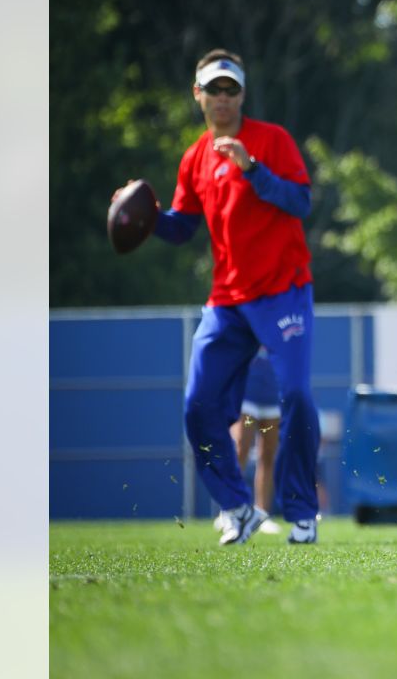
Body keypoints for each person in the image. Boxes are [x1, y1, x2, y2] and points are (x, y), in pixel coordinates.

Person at [113, 49, 321, 545]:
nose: (223, 98)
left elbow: (301, 202)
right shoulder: (194, 158)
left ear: (242, 95)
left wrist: (253, 170)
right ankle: (236, 506)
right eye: (214, 89)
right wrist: (139, 216)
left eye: (231, 90)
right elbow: (183, 229)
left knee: (295, 395)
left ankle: (302, 511)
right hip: (227, 300)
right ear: (198, 95)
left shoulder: (272, 140)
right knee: (197, 405)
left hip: (282, 290)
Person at [221, 346, 283, 535]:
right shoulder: (249, 320)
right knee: (241, 449)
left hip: (272, 397)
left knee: (268, 455)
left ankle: (261, 514)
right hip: (246, 396)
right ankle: (229, 510)